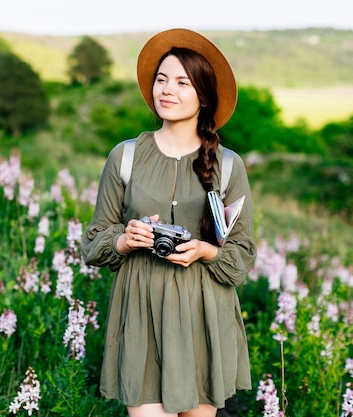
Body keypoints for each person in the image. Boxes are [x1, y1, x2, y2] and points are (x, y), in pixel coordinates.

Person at [81, 28, 257, 417]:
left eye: (182, 82)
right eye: (161, 79)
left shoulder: (229, 166)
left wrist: (207, 250)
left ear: (204, 97)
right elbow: (93, 241)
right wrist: (126, 239)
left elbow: (243, 253)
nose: (167, 90)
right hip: (140, 310)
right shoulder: (124, 157)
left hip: (205, 313)